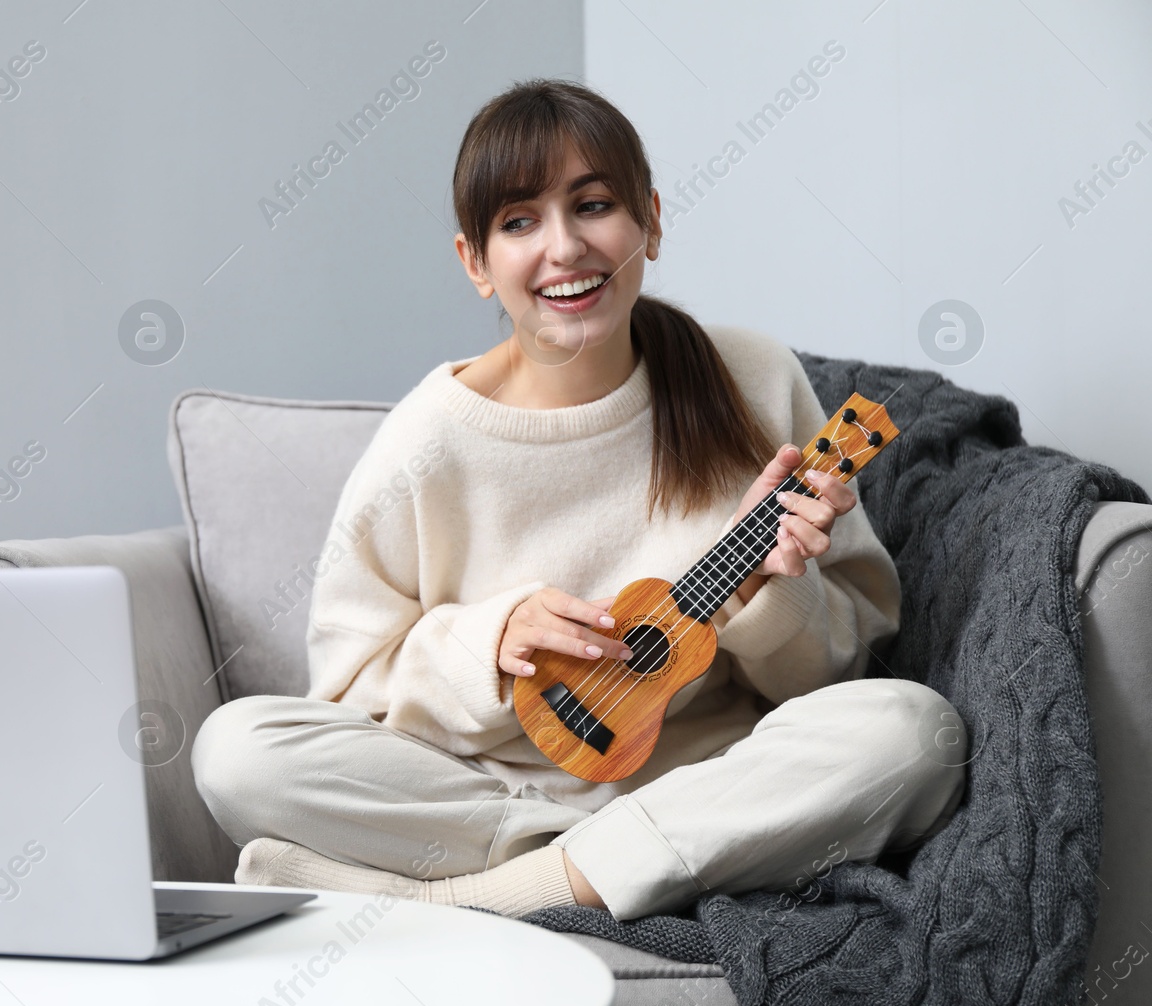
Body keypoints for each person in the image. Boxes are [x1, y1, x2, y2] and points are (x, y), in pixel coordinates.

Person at [190, 78, 966, 921]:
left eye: (592, 205)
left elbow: (840, 670)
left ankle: (476, 902)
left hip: (703, 783)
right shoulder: (428, 440)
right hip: (491, 799)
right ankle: (593, 871)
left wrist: (772, 594)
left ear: (652, 222)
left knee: (914, 731)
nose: (564, 247)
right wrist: (488, 643)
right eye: (519, 222)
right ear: (476, 264)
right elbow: (346, 694)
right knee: (236, 750)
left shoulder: (753, 379)